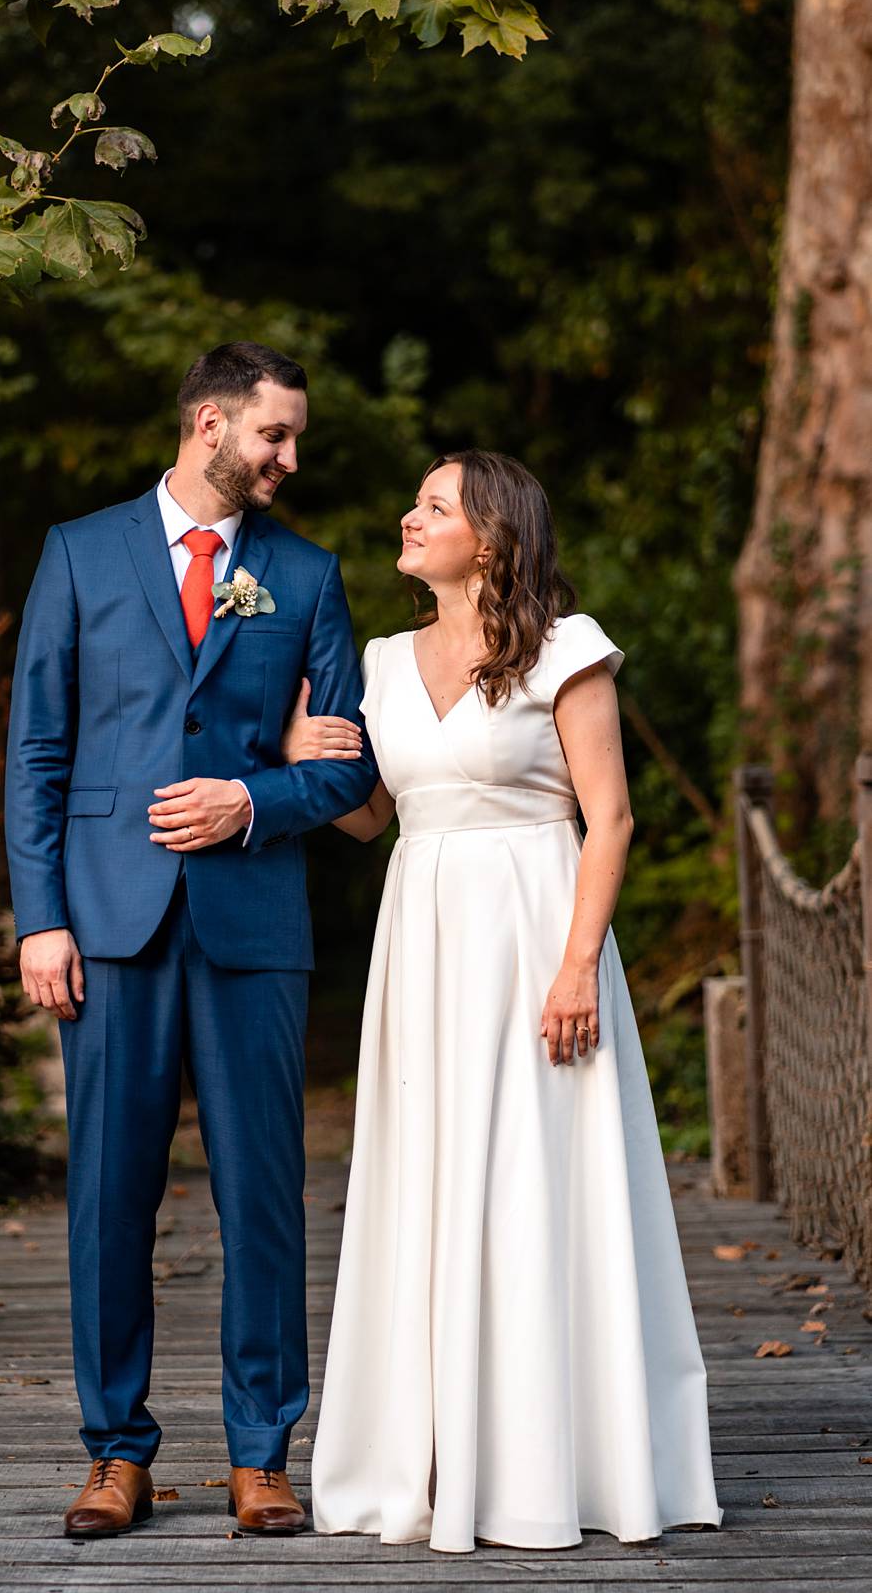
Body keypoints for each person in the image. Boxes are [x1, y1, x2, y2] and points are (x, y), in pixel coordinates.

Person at [282, 449, 722, 1553]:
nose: (407, 514)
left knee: (537, 1178)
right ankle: (430, 1457)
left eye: (434, 505)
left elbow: (608, 819)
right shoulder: (381, 661)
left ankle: (554, 1461)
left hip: (535, 928)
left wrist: (575, 966)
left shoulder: (565, 647)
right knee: (428, 1178)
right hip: (422, 933)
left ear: (491, 534)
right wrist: (298, 756)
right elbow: (372, 817)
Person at [4, 341, 378, 1540]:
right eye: (274, 436)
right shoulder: (80, 553)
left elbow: (346, 766)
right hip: (106, 924)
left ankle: (261, 1453)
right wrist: (41, 918)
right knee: (110, 1198)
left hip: (252, 924)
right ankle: (117, 1451)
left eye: (295, 439)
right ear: (208, 423)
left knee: (263, 1195)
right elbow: (38, 754)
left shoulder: (308, 577)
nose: (288, 458)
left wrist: (253, 799)